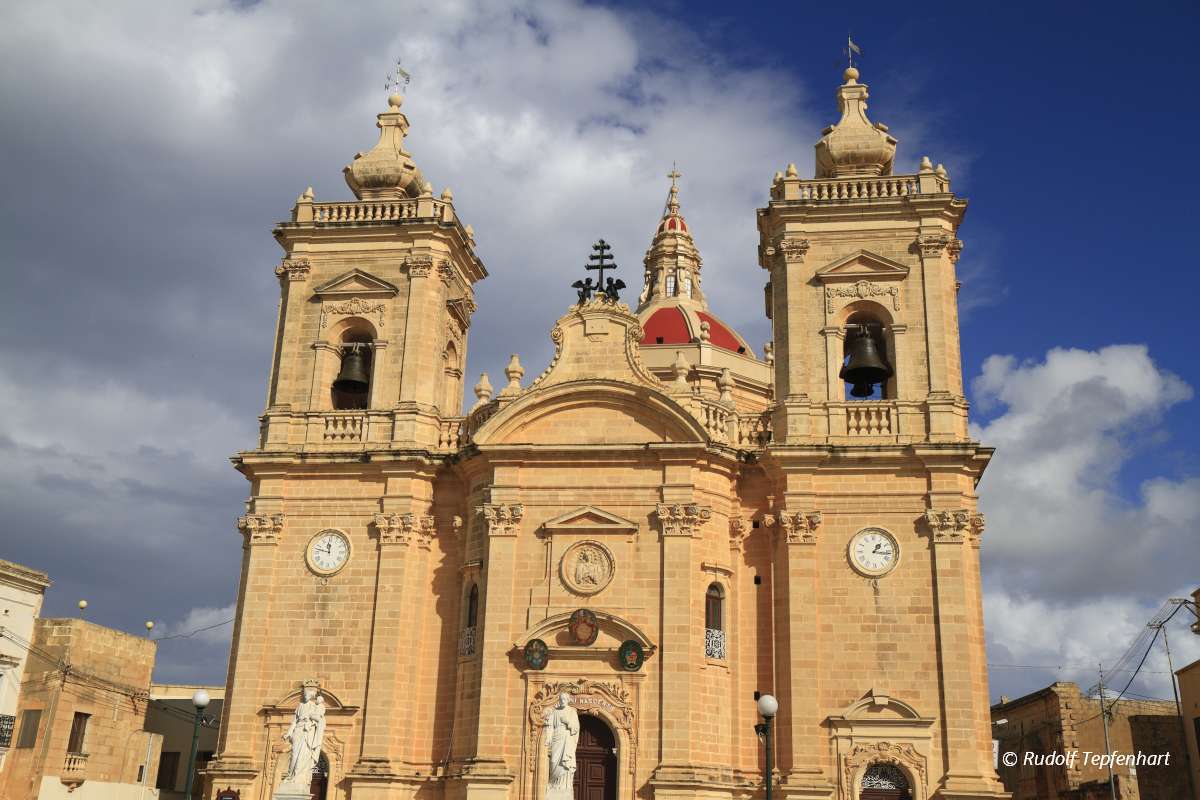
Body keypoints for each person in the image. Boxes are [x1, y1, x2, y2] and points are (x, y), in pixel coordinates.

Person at [282, 685, 326, 788]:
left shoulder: (313, 706)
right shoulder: (300, 706)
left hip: (307, 732)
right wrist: (288, 733)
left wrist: (312, 718)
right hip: (298, 730)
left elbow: (319, 719)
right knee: (294, 754)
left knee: (304, 755)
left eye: (307, 695)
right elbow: (294, 721)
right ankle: (290, 775)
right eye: (304, 694)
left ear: (310, 696)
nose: (305, 696)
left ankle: (297, 778)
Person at [544, 692, 580, 800]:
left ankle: (564, 785)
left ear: (568, 700)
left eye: (564, 699)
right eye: (561, 699)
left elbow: (576, 728)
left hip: (567, 738)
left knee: (566, 762)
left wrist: (567, 722)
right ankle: (554, 783)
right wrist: (548, 738)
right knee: (554, 761)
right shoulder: (554, 712)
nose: (562, 701)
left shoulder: (572, 711)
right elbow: (550, 726)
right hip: (556, 737)